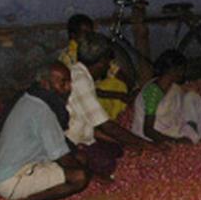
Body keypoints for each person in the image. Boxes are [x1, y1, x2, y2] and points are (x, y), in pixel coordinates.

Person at [0, 62, 90, 200]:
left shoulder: (29, 98)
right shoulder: (42, 111)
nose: (68, 88)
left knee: (79, 158)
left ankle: (32, 192)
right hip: (11, 180)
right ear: (45, 84)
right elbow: (62, 157)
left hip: (15, 168)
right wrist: (89, 172)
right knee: (79, 176)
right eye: (62, 83)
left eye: (69, 82)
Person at [64, 32, 151, 166]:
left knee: (117, 150)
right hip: (72, 142)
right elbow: (105, 125)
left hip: (86, 135)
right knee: (107, 162)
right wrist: (145, 144)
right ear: (101, 62)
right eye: (108, 61)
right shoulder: (80, 81)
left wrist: (124, 142)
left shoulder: (79, 72)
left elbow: (94, 126)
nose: (109, 66)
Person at [130, 50, 201, 145]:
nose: (183, 73)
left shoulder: (172, 86)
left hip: (171, 124)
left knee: (192, 97)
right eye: (182, 70)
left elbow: (182, 102)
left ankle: (189, 133)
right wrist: (175, 142)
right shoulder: (153, 93)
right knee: (190, 135)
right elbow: (148, 130)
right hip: (157, 133)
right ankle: (190, 134)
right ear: (173, 70)